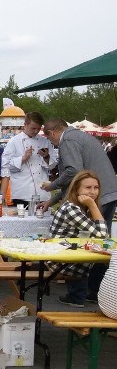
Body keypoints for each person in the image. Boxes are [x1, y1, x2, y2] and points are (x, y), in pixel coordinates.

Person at [41, 118, 117, 303]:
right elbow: (78, 182)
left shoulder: (68, 140)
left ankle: (77, 295)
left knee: (82, 240)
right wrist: (55, 199)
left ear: (51, 133)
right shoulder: (83, 136)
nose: (52, 144)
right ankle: (95, 291)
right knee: (100, 246)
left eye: (50, 140)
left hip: (96, 197)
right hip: (107, 192)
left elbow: (74, 173)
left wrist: (52, 186)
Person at [47, 170, 109, 307]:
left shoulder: (83, 206)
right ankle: (79, 296)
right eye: (88, 187)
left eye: (96, 187)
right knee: (100, 255)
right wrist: (93, 205)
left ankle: (86, 294)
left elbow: (103, 237)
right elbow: (103, 236)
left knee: (102, 253)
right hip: (58, 258)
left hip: (72, 254)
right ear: (76, 189)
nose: (93, 192)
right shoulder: (71, 208)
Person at [0, 111, 55, 207]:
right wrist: (23, 158)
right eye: (33, 128)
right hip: (22, 193)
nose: (36, 131)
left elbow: (52, 166)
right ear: (25, 125)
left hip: (42, 193)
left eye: (38, 128)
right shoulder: (14, 142)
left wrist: (46, 157)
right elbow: (6, 167)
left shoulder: (45, 142)